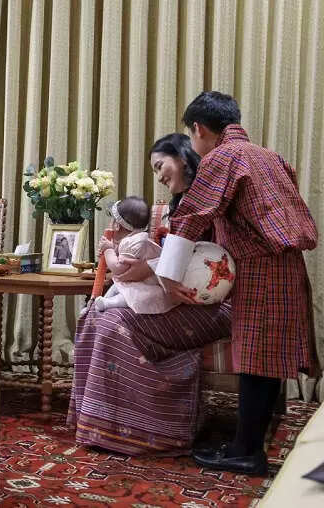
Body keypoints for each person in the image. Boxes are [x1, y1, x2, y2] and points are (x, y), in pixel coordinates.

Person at [154, 91, 318, 474]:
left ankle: (246, 452)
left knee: (256, 360)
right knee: (267, 360)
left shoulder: (223, 156)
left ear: (198, 129)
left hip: (260, 266)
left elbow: (192, 214)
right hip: (289, 265)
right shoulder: (270, 156)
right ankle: (248, 445)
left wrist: (168, 275)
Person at [67, 133, 232, 457]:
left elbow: (206, 261)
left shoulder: (213, 200)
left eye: (160, 166)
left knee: (111, 322)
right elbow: (164, 262)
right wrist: (147, 268)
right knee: (94, 316)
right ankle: (102, 425)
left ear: (182, 158)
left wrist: (146, 268)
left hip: (209, 305)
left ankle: (154, 432)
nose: (158, 177)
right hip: (174, 296)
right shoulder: (180, 206)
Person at [93, 196, 176, 314]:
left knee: (138, 295)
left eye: (112, 220)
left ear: (117, 225)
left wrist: (108, 250)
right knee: (118, 286)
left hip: (146, 285)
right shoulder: (137, 240)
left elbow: (118, 269)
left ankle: (108, 303)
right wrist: (111, 251)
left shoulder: (132, 242)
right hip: (136, 281)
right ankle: (99, 302)